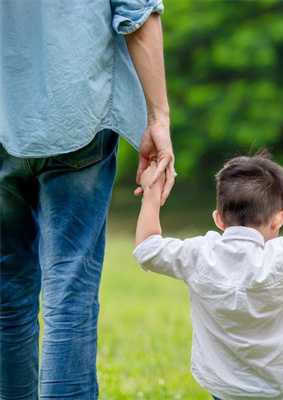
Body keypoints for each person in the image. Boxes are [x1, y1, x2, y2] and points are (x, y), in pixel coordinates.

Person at [0, 1, 174, 398]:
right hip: (78, 111)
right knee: (70, 288)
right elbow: (138, 12)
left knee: (6, 292)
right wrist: (158, 117)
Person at [133, 154, 283, 400]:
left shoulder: (199, 255)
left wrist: (152, 193)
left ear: (218, 219)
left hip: (225, 390)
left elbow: (146, 249)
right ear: (279, 219)